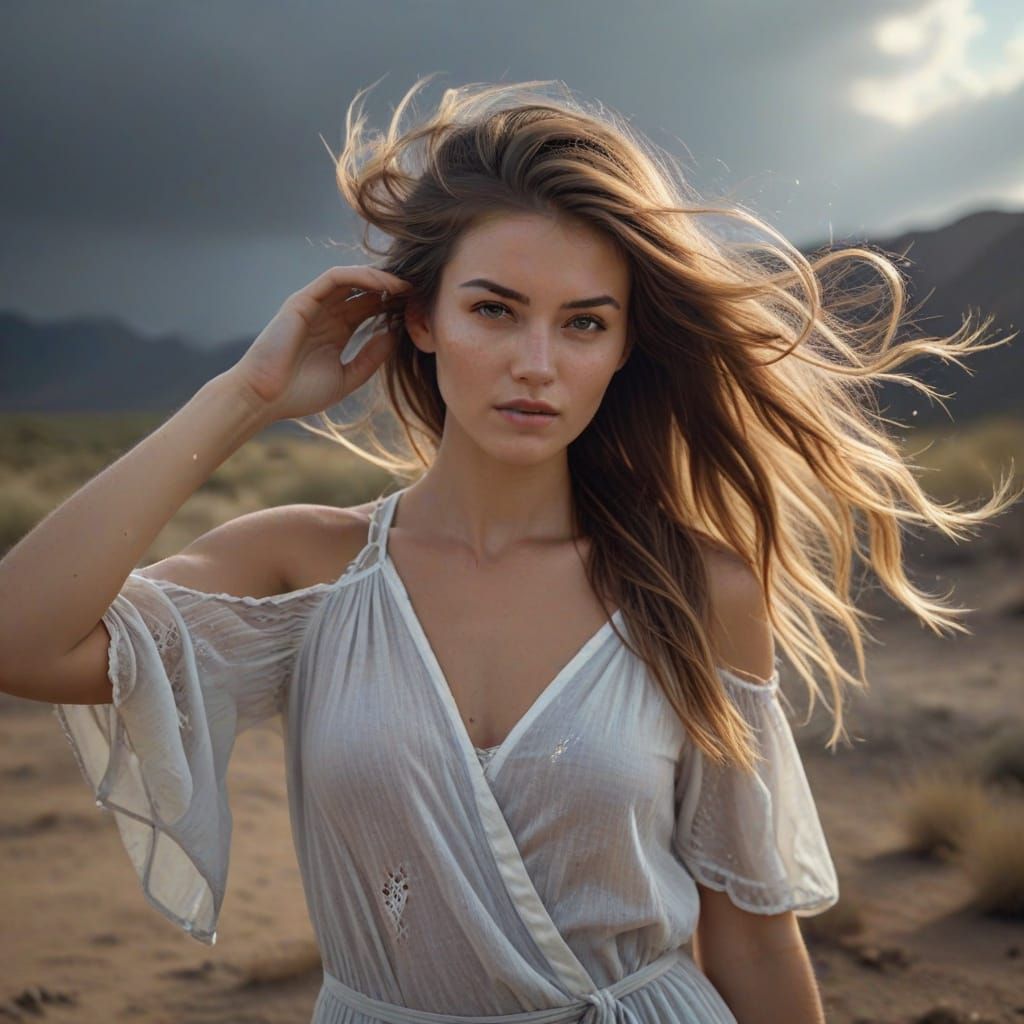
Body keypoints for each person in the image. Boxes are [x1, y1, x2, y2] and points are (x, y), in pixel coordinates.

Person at [0, 77, 1018, 1024]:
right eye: (494, 308)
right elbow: (22, 639)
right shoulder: (303, 570)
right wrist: (245, 398)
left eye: (583, 322)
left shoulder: (693, 586)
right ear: (422, 317)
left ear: (623, 348)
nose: (536, 365)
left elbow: (750, 940)